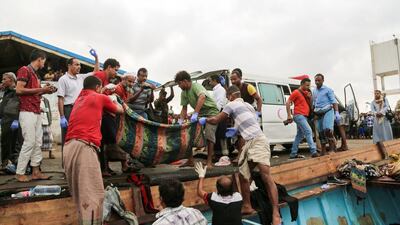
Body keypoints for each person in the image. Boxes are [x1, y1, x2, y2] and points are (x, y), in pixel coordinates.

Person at [200, 85, 281, 225]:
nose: (226, 99)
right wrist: (235, 130)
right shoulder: (248, 106)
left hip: (258, 140)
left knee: (266, 176)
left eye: (227, 97)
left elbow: (216, 120)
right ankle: (247, 206)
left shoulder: (231, 104)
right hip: (249, 142)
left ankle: (276, 213)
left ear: (231, 95)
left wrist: (203, 119)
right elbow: (245, 123)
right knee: (243, 175)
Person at [63, 76, 125, 225]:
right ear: (98, 87)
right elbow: (120, 110)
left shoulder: (79, 99)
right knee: (92, 194)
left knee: (80, 195)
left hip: (68, 149)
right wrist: (113, 98)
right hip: (84, 147)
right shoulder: (100, 97)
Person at [15, 49, 56, 182]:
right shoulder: (24, 70)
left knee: (37, 142)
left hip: (36, 110)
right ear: (40, 59)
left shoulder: (35, 74)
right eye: (44, 61)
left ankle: (36, 171)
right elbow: (19, 89)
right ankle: (20, 172)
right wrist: (42, 89)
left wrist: (46, 91)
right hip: (26, 111)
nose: (44, 64)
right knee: (29, 142)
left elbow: (34, 93)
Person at [175, 70, 219, 167]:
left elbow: (202, 97)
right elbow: (184, 108)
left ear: (185, 81)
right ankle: (190, 160)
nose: (179, 86)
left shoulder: (196, 86)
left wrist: (195, 114)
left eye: (179, 83)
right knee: (188, 134)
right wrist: (180, 122)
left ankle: (209, 161)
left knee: (209, 134)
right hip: (200, 113)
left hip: (211, 112)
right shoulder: (184, 93)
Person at [57, 51, 99, 151]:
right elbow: (60, 99)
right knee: (67, 136)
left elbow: (96, 72)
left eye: (80, 65)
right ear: (69, 66)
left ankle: (76, 161)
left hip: (80, 110)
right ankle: (66, 163)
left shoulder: (81, 77)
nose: (79, 67)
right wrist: (62, 116)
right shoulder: (63, 79)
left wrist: (96, 58)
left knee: (79, 136)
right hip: (69, 109)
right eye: (76, 65)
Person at [286, 78, 319, 159]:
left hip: (304, 116)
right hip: (298, 115)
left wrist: (309, 97)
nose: (308, 87)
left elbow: (310, 105)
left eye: (309, 85)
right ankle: (313, 151)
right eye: (307, 85)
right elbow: (288, 102)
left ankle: (293, 154)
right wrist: (289, 115)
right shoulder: (296, 92)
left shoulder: (306, 93)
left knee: (299, 135)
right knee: (308, 131)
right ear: (302, 84)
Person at [313, 74, 340, 155]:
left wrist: (337, 112)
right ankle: (323, 150)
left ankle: (332, 149)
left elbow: (334, 101)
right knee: (320, 132)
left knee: (327, 129)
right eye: (316, 81)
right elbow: (314, 103)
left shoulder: (328, 90)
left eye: (319, 80)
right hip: (318, 113)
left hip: (328, 111)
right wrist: (313, 113)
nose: (317, 82)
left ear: (323, 80)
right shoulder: (314, 90)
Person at [0, 72, 22, 169]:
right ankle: (5, 164)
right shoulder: (6, 91)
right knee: (5, 142)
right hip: (5, 120)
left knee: (13, 143)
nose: (2, 81)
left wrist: (16, 119)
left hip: (12, 120)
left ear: (11, 80)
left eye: (4, 79)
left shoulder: (16, 91)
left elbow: (19, 105)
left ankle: (12, 164)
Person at [209, 74, 229, 156]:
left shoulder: (220, 89)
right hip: (217, 113)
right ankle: (217, 154)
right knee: (216, 134)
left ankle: (224, 154)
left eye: (210, 81)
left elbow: (220, 103)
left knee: (221, 134)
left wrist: (215, 115)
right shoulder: (215, 90)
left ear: (214, 80)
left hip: (220, 113)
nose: (209, 83)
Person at [371, 90, 393, 158]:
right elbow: (372, 110)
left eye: (377, 93)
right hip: (377, 119)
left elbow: (387, 106)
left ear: (380, 94)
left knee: (386, 131)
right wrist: (376, 113)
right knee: (378, 133)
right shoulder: (372, 102)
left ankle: (389, 146)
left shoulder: (384, 99)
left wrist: (381, 112)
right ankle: (378, 146)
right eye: (375, 93)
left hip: (384, 118)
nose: (376, 94)